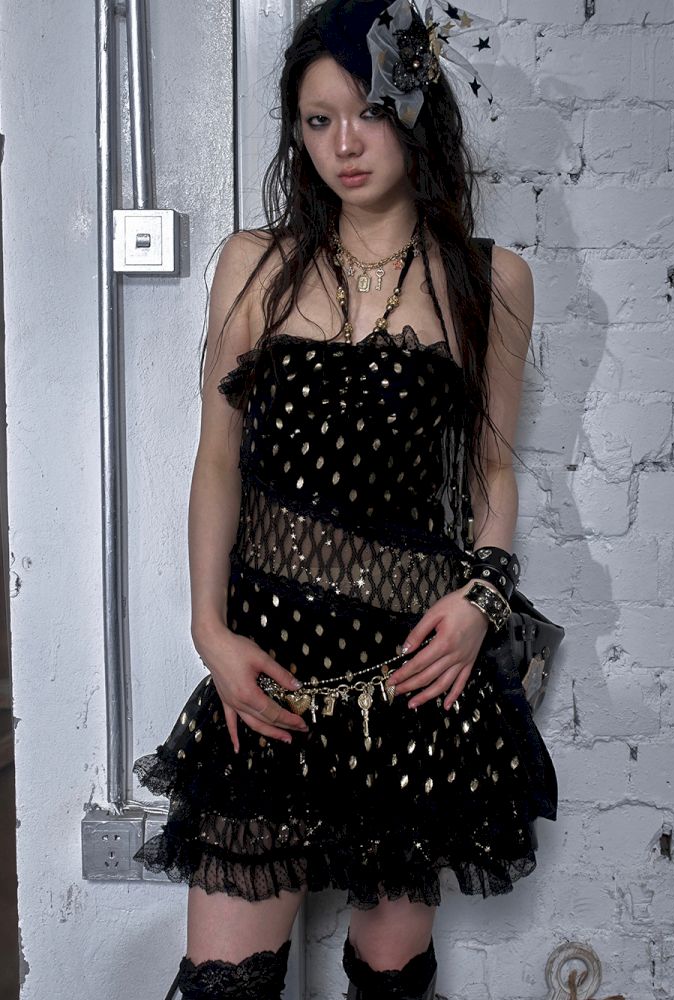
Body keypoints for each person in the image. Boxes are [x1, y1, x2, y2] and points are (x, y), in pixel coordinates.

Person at [132, 1, 558, 997]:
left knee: (389, 981)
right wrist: (209, 631)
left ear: (414, 109)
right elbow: (216, 460)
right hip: (269, 669)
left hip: (410, 678)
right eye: (318, 121)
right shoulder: (256, 265)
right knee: (224, 982)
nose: (345, 144)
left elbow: (493, 469)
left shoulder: (490, 280)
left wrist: (480, 600)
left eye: (366, 112)